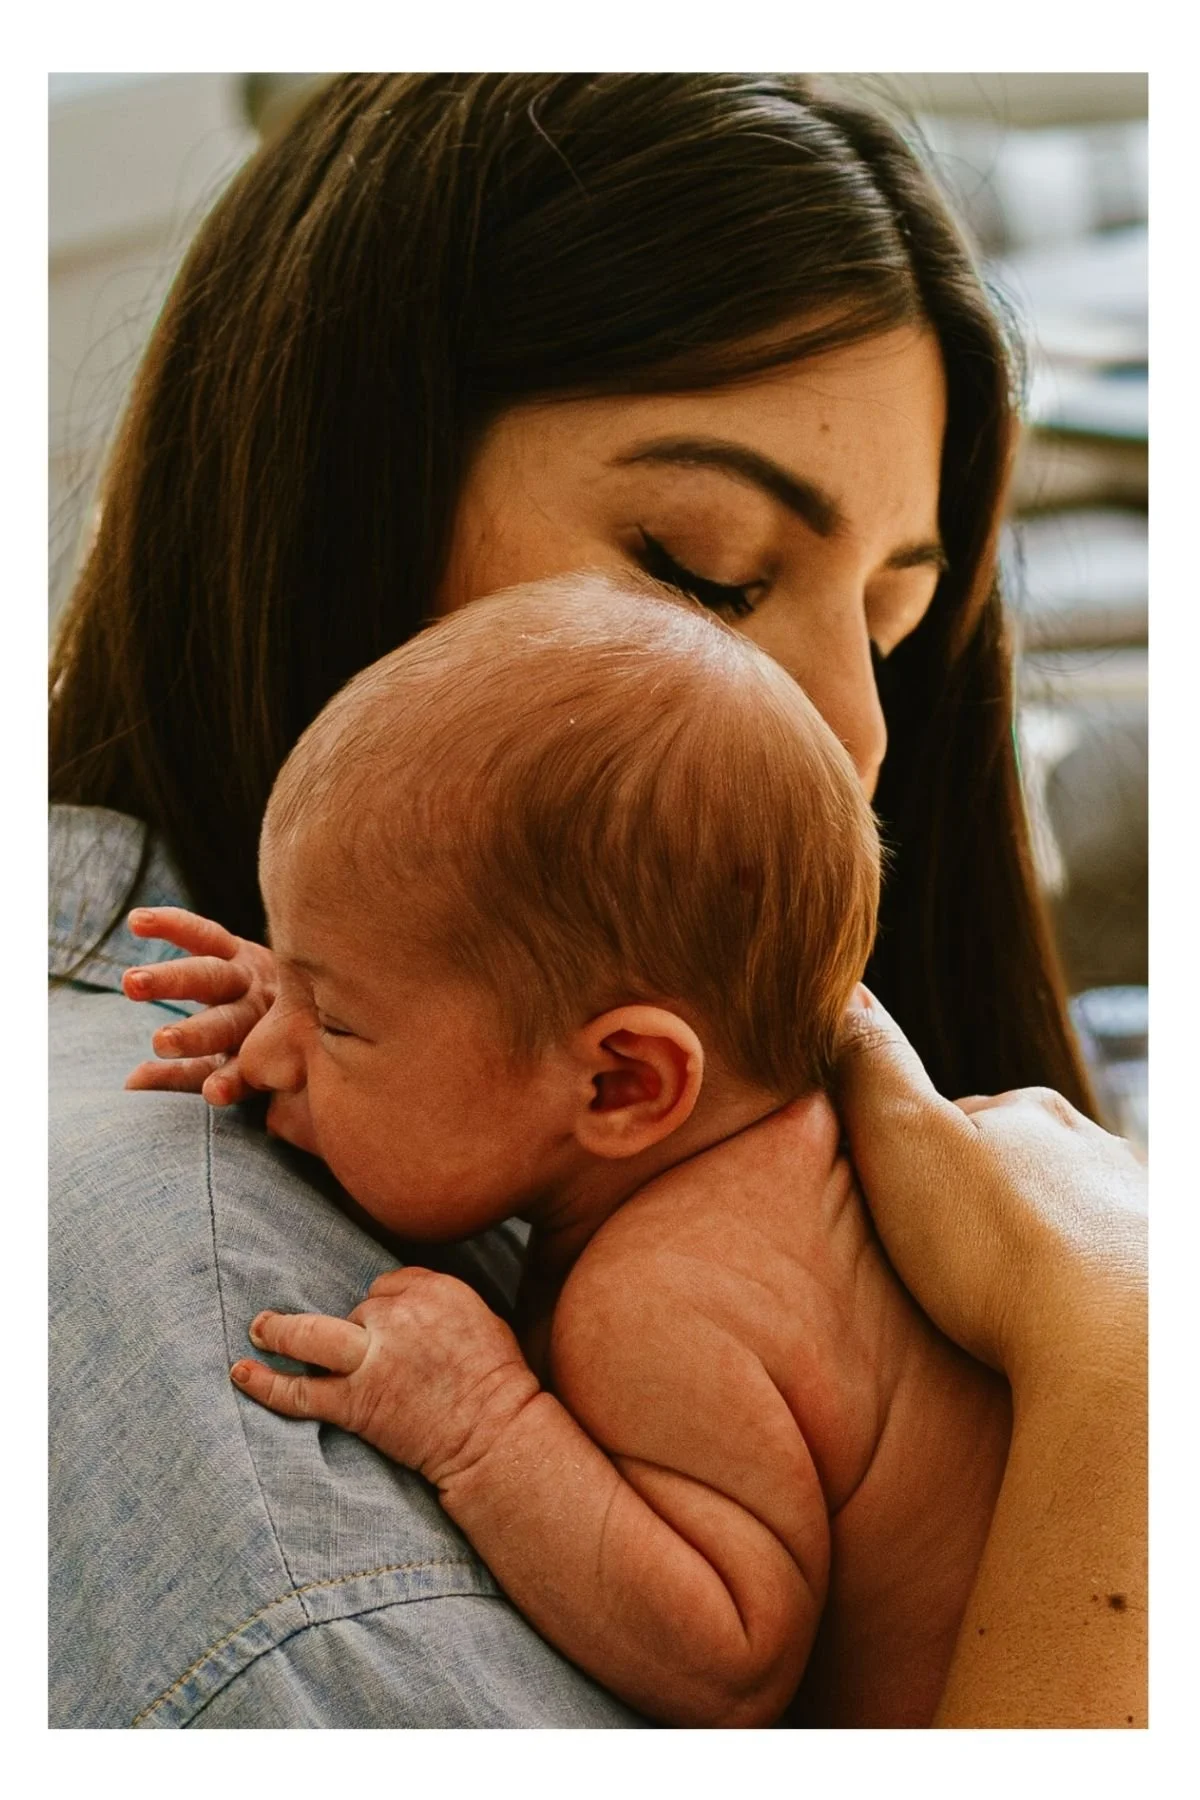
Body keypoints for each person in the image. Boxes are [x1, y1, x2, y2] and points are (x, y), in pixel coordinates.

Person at [49, 73, 1146, 1729]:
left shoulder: (704, 1216)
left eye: (898, 637)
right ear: (341, 493)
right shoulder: (205, 1309)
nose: (855, 739)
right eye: (703, 574)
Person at [121, 576, 1012, 1728]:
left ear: (623, 1082)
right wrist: (310, 998)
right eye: (286, 977)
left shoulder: (661, 1304)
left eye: (336, 1022)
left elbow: (733, 1662)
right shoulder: (770, 1150)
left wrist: (484, 1426)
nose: (279, 1052)